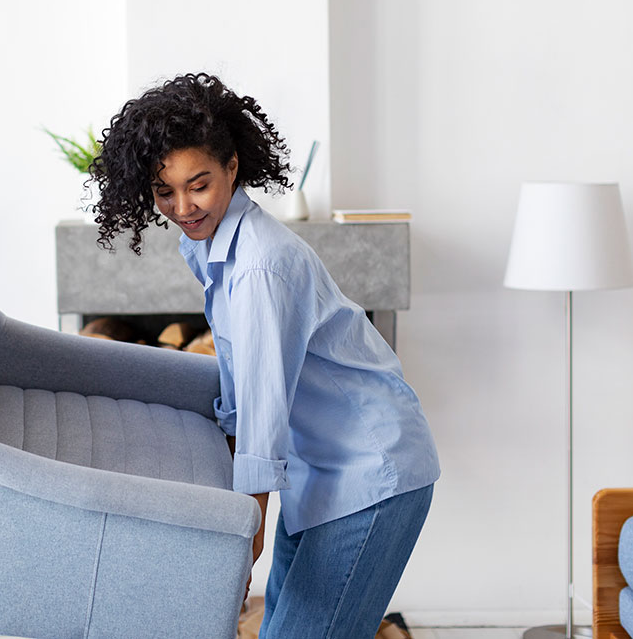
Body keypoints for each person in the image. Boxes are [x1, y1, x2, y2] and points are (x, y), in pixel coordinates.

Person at [89, 73, 441, 639]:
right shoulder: (213, 247)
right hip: (319, 471)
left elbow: (263, 402)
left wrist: (244, 521)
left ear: (232, 167)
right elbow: (238, 380)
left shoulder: (258, 266)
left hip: (369, 473)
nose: (182, 206)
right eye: (164, 192)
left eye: (198, 184)